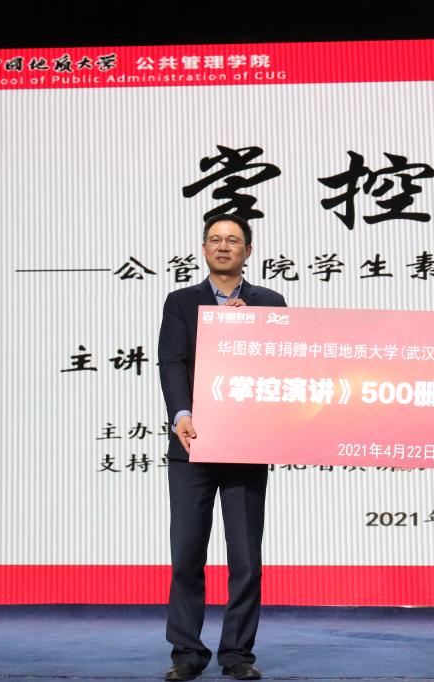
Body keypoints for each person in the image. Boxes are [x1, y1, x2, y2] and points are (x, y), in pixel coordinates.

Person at [158, 214, 286, 681]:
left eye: (233, 240)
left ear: (248, 251)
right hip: (193, 443)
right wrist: (181, 413)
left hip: (246, 445)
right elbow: (172, 362)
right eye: (215, 239)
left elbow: (282, 365)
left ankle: (237, 653)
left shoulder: (270, 303)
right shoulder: (181, 302)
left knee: (246, 558)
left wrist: (248, 329)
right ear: (204, 249)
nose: (223, 246)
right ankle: (186, 652)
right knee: (187, 553)